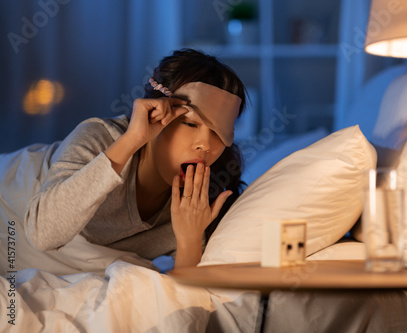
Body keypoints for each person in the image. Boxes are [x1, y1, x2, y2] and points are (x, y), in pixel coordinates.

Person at [0, 48, 247, 274]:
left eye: (218, 133)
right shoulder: (101, 138)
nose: (205, 145)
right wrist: (132, 140)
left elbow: (185, 300)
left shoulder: (198, 203)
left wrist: (190, 239)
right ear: (155, 113)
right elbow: (43, 233)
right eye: (190, 123)